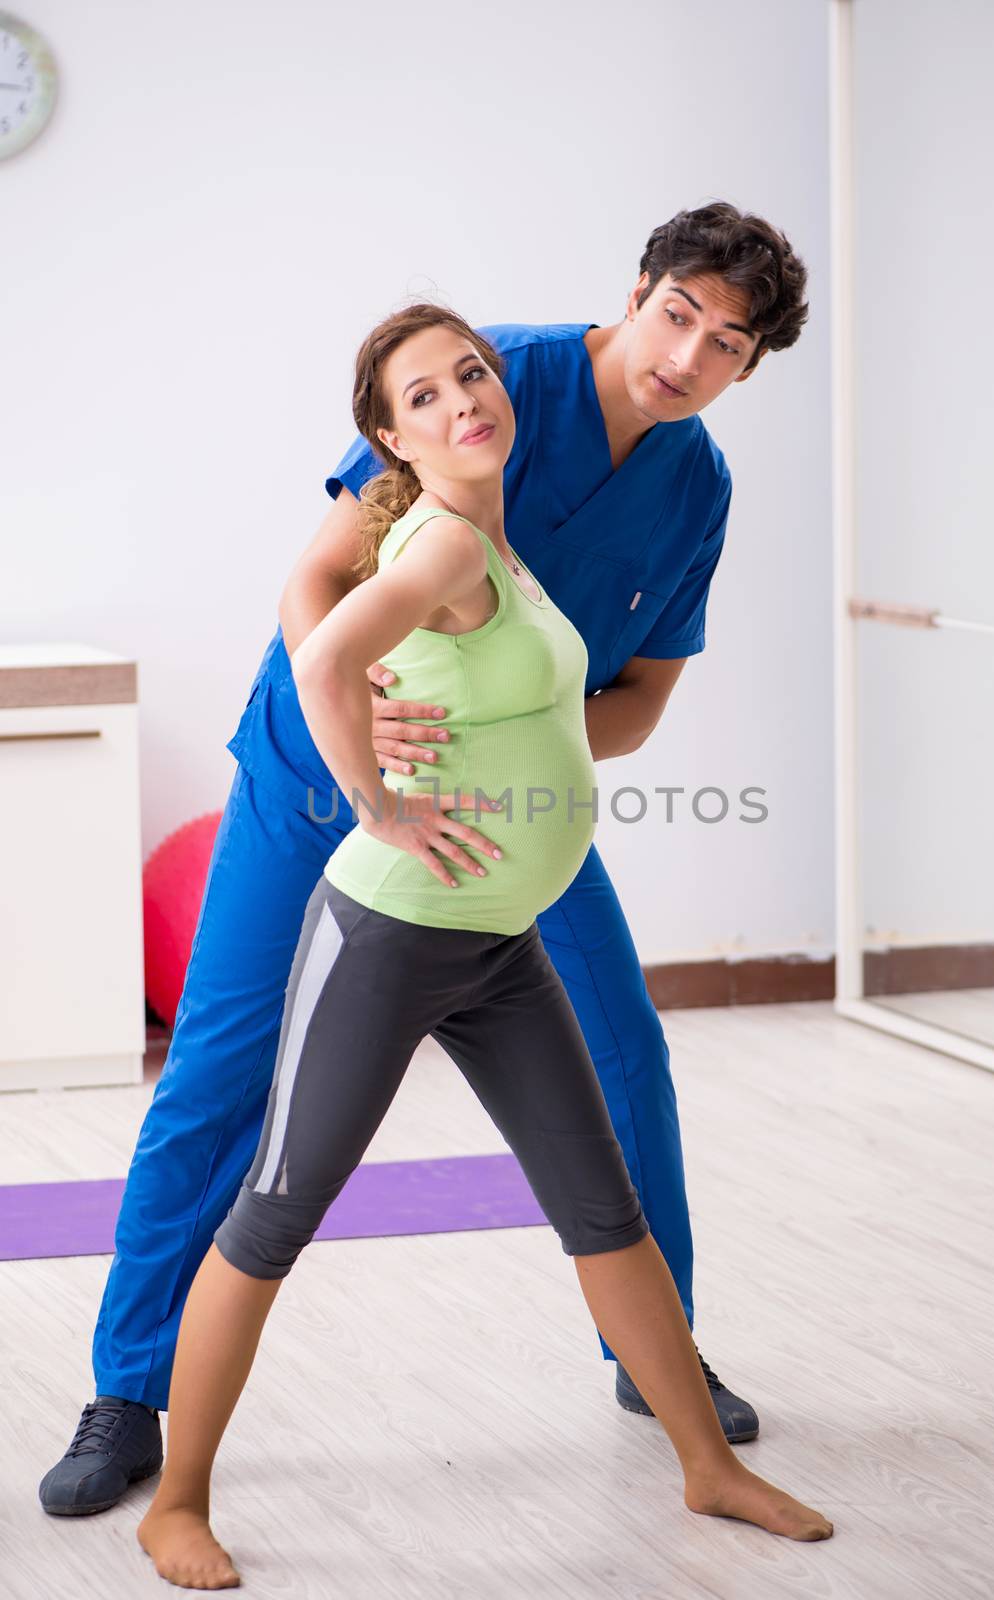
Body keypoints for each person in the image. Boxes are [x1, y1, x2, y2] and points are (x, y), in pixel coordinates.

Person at [39, 202, 810, 1517]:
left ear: (747, 368)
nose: (684, 356)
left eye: (725, 345)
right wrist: (367, 754)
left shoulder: (697, 490)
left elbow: (638, 703)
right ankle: (128, 1392)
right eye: (676, 313)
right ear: (637, 290)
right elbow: (316, 587)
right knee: (224, 1074)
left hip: (503, 815)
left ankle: (651, 1354)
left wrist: (516, 726)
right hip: (320, 779)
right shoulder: (489, 376)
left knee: (626, 1052)